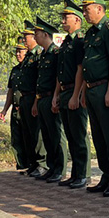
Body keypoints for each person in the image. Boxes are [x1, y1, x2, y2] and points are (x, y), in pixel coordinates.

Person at [79, 0, 109, 197]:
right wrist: (82, 92)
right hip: (91, 89)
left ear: (99, 8)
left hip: (105, 86)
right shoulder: (90, 33)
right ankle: (106, 175)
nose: (84, 13)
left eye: (87, 9)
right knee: (98, 135)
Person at [52, 0, 91, 188]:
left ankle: (83, 173)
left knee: (79, 135)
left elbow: (80, 69)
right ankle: (75, 173)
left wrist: (77, 95)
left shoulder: (79, 42)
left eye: (66, 17)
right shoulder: (66, 43)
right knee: (70, 134)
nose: (63, 21)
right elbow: (61, 73)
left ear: (77, 20)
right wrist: (57, 95)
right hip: (65, 91)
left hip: (74, 92)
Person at [32, 16, 68, 183]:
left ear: (46, 35)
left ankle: (60, 169)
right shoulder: (43, 54)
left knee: (56, 135)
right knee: (47, 135)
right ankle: (51, 166)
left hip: (51, 97)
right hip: (42, 98)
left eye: (37, 33)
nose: (34, 36)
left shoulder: (55, 53)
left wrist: (56, 96)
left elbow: (58, 78)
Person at [19, 20, 48, 177]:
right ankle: (33, 163)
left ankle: (42, 163)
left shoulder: (38, 55)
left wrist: (36, 101)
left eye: (27, 36)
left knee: (37, 133)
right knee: (28, 132)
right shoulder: (29, 55)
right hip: (25, 97)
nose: (25, 39)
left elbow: (39, 80)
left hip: (33, 96)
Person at [0, 41, 30, 172]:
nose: (18, 54)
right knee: (16, 139)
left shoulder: (30, 68)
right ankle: (21, 165)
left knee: (28, 137)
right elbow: (11, 91)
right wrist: (5, 110)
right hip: (15, 109)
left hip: (27, 108)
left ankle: (31, 165)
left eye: (21, 51)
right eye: (16, 51)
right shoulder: (15, 70)